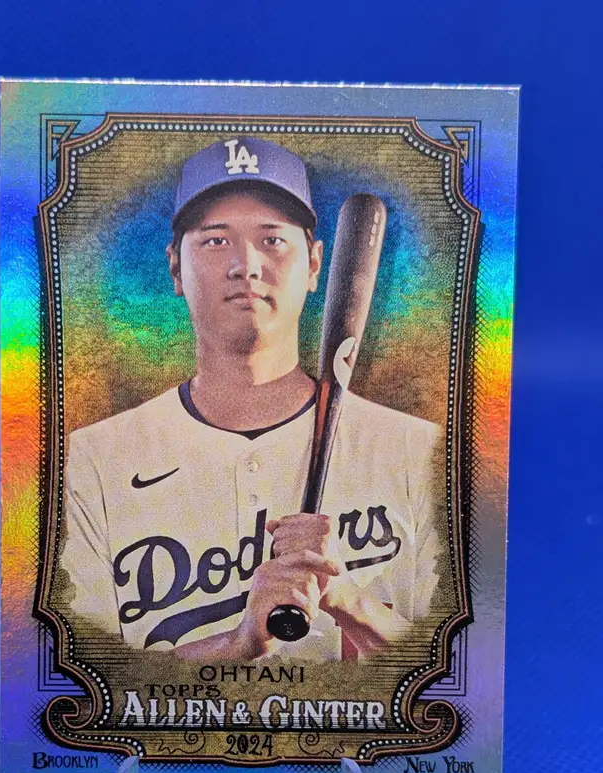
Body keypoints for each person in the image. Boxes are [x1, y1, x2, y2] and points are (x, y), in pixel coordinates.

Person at [53, 136, 443, 664]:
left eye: (272, 239)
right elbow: (79, 678)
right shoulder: (93, 461)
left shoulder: (418, 452)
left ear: (315, 264)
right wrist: (238, 643)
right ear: (175, 267)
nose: (247, 265)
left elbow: (460, 675)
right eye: (216, 240)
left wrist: (346, 596)